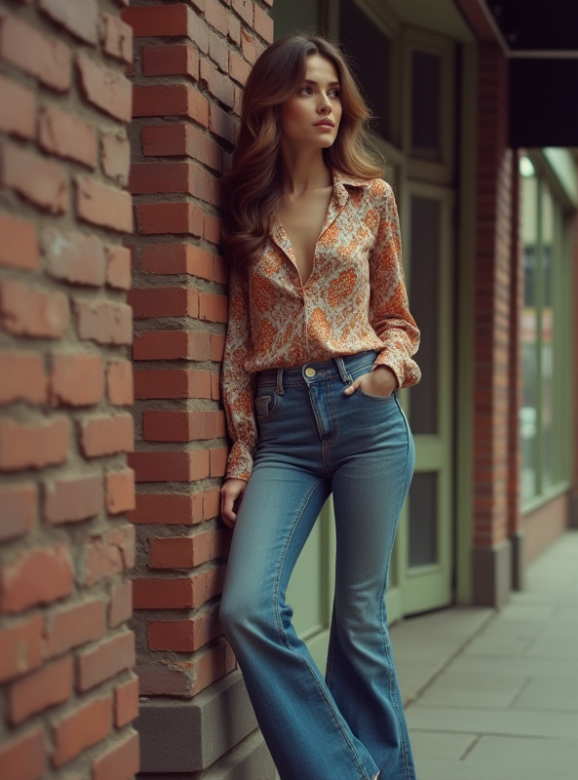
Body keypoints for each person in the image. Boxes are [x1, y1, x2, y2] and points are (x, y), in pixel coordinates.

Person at [216, 35, 419, 780]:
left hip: (366, 415)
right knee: (247, 607)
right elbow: (238, 342)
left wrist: (387, 375)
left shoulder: (373, 200)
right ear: (274, 103)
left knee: (360, 621)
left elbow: (398, 317)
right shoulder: (247, 206)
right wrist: (241, 456)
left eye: (333, 90)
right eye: (308, 89)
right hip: (284, 431)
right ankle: (351, 772)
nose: (326, 103)